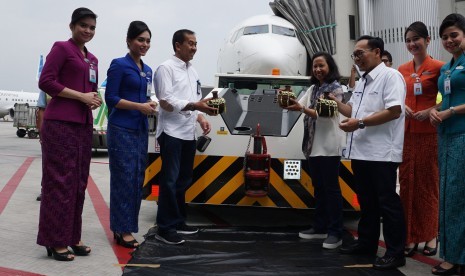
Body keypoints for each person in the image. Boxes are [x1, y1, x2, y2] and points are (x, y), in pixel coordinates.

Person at [331, 35, 407, 270]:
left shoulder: (390, 76)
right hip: (361, 151)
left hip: (382, 153)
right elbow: (353, 110)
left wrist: (360, 123)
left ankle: (396, 252)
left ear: (376, 52)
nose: (357, 59)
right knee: (367, 203)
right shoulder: (363, 81)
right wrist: (335, 103)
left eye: (360, 53)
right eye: (354, 55)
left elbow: (394, 110)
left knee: (387, 204)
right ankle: (366, 244)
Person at [37, 7, 102, 261]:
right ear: (72, 26)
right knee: (59, 182)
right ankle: (54, 241)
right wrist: (80, 96)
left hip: (83, 124)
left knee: (78, 184)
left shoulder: (92, 58)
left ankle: (72, 236)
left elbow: (89, 89)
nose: (87, 30)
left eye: (92, 27)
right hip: (60, 123)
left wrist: (92, 99)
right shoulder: (62, 49)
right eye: (83, 25)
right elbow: (46, 81)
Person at [153, 29, 218, 245]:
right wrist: (195, 106)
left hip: (188, 133)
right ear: (177, 45)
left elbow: (196, 99)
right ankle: (165, 227)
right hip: (171, 133)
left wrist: (201, 118)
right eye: (190, 43)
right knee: (169, 181)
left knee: (183, 180)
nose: (194, 47)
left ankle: (178, 220)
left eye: (195, 43)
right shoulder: (165, 69)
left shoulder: (193, 71)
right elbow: (165, 101)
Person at [284, 52, 344, 249]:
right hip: (312, 145)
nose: (318, 69)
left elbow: (323, 114)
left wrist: (300, 109)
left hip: (328, 146)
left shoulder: (336, 89)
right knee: (319, 189)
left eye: (321, 66)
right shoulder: (312, 88)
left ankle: (336, 231)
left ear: (330, 67)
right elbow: (299, 105)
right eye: (315, 66)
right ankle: (320, 227)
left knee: (331, 190)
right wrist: (287, 100)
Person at [105, 21, 156, 249]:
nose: (144, 44)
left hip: (141, 129)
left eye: (147, 40)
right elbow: (111, 99)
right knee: (123, 179)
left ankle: (127, 225)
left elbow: (144, 98)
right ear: (129, 41)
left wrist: (149, 104)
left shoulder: (147, 71)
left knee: (137, 178)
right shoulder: (119, 65)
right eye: (140, 39)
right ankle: (121, 229)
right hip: (121, 129)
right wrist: (139, 107)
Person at [397, 21, 444, 258]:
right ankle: (410, 236)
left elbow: (449, 97)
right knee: (407, 184)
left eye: (416, 38)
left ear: (428, 40)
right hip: (406, 134)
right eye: (408, 40)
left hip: (429, 134)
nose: (412, 43)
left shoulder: (439, 67)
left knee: (428, 185)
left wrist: (432, 109)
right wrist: (402, 106)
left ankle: (430, 234)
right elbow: (394, 97)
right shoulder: (401, 70)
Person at [429, 13, 465, 275]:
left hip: (462, 134)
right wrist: (436, 109)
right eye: (445, 37)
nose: (449, 40)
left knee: (455, 196)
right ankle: (453, 252)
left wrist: (450, 113)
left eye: (454, 35)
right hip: (445, 135)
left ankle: (455, 257)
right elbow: (445, 98)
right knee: (447, 195)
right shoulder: (446, 68)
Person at [35, 90, 48, 202]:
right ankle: (45, 189)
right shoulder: (47, 87)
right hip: (50, 131)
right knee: (47, 163)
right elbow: (41, 110)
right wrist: (41, 133)